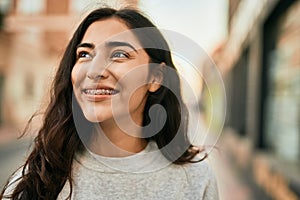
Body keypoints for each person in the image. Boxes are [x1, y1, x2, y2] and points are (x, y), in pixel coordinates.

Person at [1, 7, 219, 200]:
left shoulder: (195, 180)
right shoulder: (35, 181)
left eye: (119, 54)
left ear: (156, 77)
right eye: (84, 54)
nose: (95, 70)